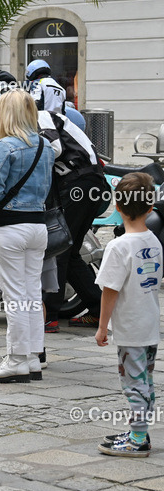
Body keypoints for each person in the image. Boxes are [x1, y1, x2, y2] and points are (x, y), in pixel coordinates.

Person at [0, 89, 53, 383]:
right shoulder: (45, 146)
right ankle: (33, 357)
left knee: (14, 297)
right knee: (32, 293)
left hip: (9, 227)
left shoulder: (5, 145)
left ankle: (16, 359)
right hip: (38, 226)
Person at [95, 172, 161, 457]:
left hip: (131, 330)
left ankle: (138, 438)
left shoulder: (118, 246)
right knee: (145, 381)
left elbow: (109, 291)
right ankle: (140, 432)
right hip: (149, 326)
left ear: (117, 206)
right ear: (150, 207)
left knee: (133, 384)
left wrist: (102, 327)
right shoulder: (154, 241)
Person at [38, 109, 108, 333]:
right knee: (70, 252)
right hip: (89, 183)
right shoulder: (49, 117)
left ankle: (49, 316)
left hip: (79, 183)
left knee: (57, 249)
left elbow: (54, 148)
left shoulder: (41, 115)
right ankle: (99, 309)